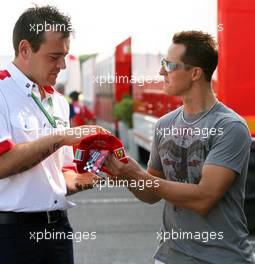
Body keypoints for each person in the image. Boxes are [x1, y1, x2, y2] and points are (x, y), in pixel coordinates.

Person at [105, 31, 254, 264]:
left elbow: (204, 199)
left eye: (169, 65)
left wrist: (137, 175)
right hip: (170, 257)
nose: (161, 72)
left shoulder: (229, 126)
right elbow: (152, 194)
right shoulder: (165, 124)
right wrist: (126, 176)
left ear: (195, 73)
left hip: (221, 257)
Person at [0, 5, 105, 264]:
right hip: (11, 234)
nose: (62, 66)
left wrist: (91, 175)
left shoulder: (58, 101)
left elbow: (64, 175)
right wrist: (63, 137)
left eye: (65, 57)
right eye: (54, 56)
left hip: (58, 231)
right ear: (25, 49)